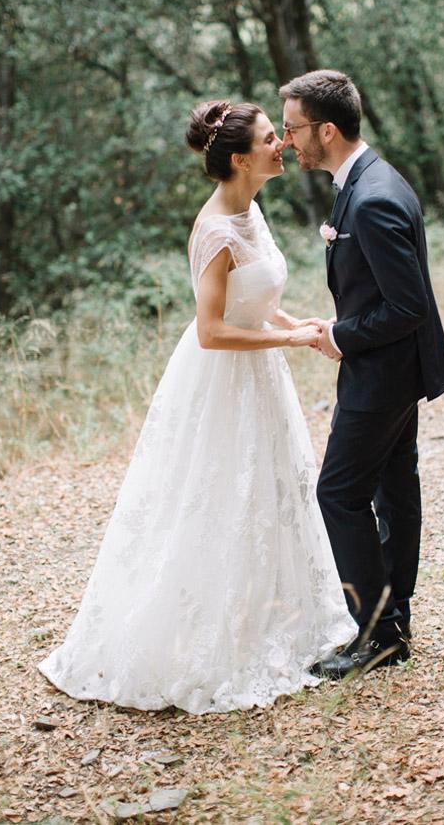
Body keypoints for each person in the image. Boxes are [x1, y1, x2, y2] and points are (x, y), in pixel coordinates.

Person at [38, 100, 355, 714]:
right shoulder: (214, 230)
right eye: (270, 139)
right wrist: (288, 339)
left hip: (260, 373)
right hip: (220, 378)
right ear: (240, 158)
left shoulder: (252, 208)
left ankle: (271, 619)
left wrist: (301, 324)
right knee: (213, 499)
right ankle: (195, 637)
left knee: (263, 495)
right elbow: (212, 330)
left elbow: (253, 299)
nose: (281, 145)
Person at [280, 70, 444, 679]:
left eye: (294, 128)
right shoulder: (366, 179)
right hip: (391, 368)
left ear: (326, 130)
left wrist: (340, 336)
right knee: (394, 491)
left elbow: (408, 306)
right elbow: (384, 290)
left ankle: (379, 632)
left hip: (381, 372)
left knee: (339, 493)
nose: (286, 141)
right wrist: (342, 320)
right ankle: (393, 621)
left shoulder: (374, 195)